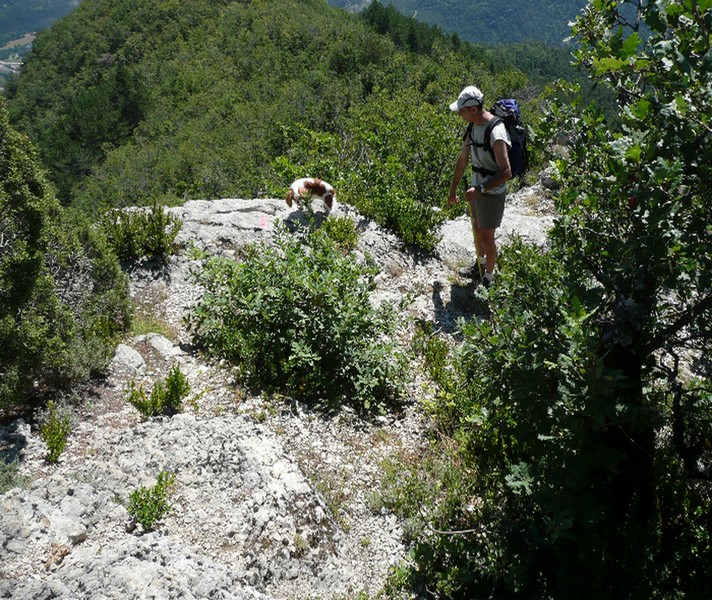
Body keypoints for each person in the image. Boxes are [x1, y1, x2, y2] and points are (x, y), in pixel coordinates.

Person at [448, 86, 511, 287]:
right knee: (477, 228)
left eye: (462, 111)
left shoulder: (496, 132)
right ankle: (480, 265)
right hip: (476, 190)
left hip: (491, 193)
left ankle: (489, 277)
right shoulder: (473, 127)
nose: (460, 114)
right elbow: (463, 159)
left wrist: (480, 189)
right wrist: (452, 190)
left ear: (473, 109)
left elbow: (506, 172)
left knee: (486, 236)